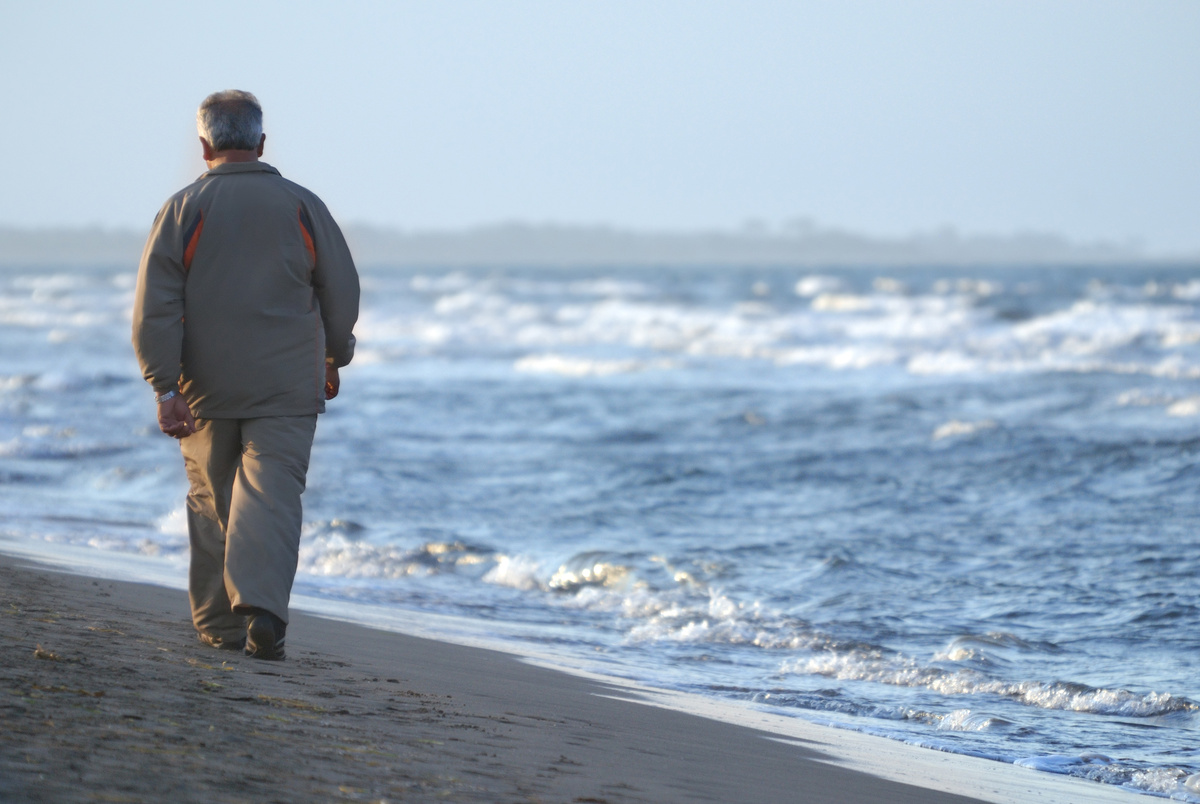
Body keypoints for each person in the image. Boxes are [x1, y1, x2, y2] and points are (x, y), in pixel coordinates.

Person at [132, 90, 360, 660]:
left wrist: (163, 386)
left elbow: (154, 308)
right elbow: (340, 291)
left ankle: (220, 625)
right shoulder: (303, 205)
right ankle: (261, 609)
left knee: (211, 496)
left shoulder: (182, 209)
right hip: (287, 385)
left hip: (203, 388)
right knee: (272, 492)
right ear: (261, 142)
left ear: (204, 144)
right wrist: (335, 354)